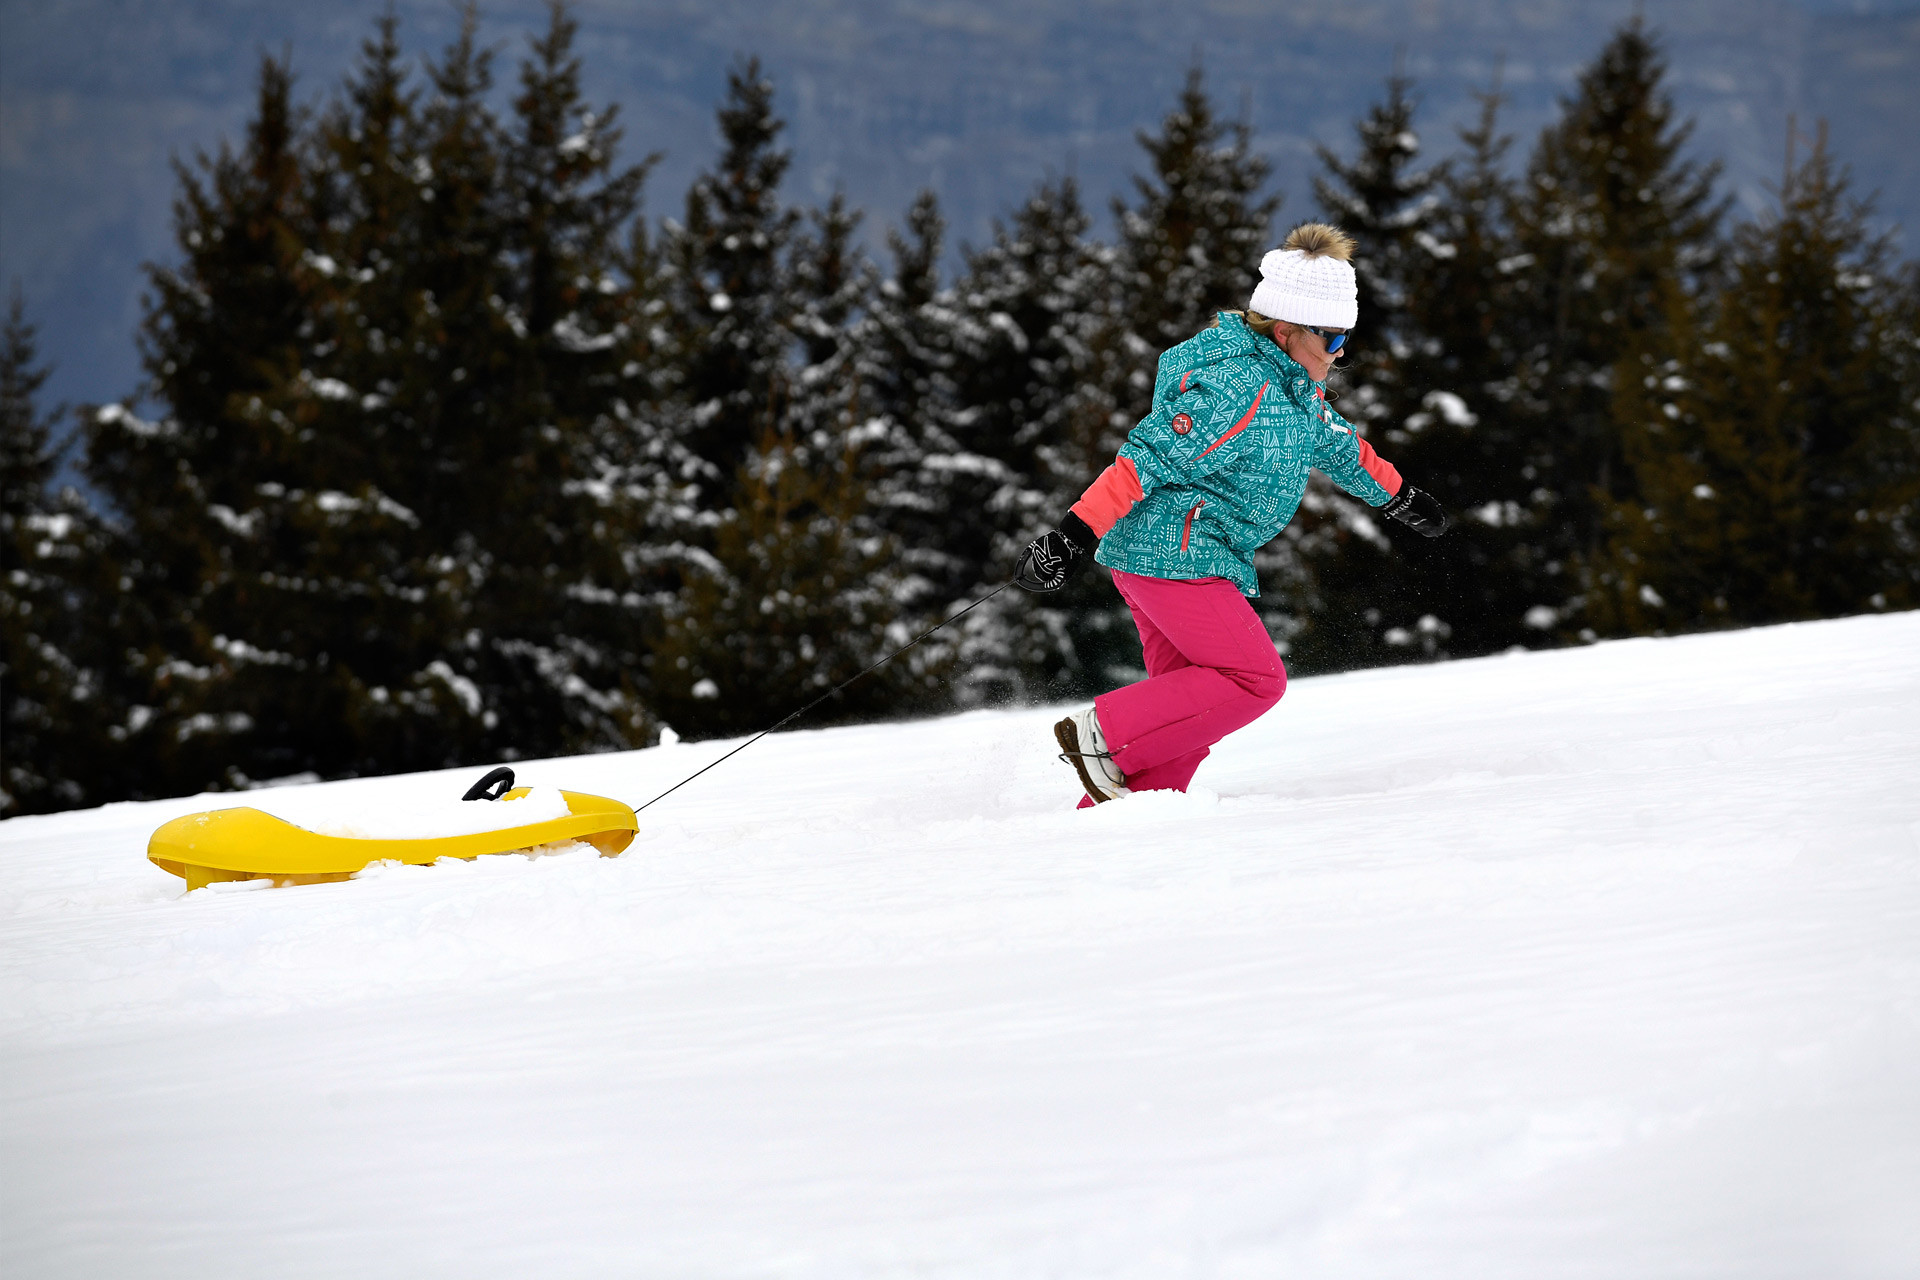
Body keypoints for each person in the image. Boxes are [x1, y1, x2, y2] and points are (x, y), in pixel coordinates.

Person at [1014, 223, 1449, 806]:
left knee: (1188, 717)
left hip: (1179, 557)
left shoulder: (1293, 390)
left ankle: (1116, 823)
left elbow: (1340, 446)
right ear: (1286, 330)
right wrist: (1072, 535)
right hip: (1175, 555)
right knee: (1255, 680)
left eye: (1346, 336)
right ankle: (1104, 733)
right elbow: (1144, 460)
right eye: (1332, 337)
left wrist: (1399, 496)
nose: (1341, 350)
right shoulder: (1238, 387)